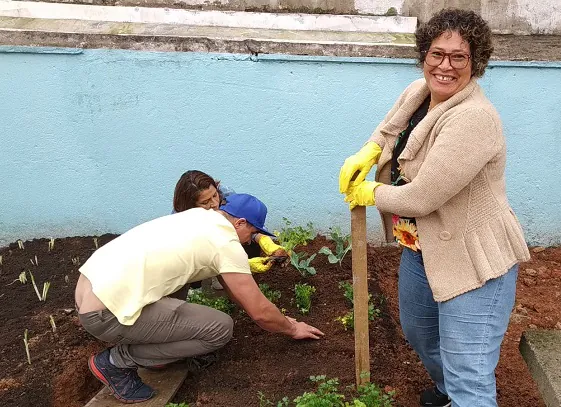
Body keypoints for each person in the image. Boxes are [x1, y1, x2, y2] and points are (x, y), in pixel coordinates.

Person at [339, 9, 530, 407]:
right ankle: (447, 393)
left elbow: (423, 196)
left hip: (473, 259)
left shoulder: (474, 118)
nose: (445, 66)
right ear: (423, 55)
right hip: (421, 248)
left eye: (458, 57)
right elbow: (390, 128)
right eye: (436, 54)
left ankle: (463, 396)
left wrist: (370, 192)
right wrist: (369, 149)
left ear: (476, 63)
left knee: (469, 369)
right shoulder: (418, 91)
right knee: (421, 333)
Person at [75, 193, 323, 403]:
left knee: (179, 290)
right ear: (241, 223)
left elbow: (236, 292)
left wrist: (277, 318)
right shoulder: (226, 244)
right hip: (105, 314)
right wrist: (292, 328)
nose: (251, 240)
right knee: (219, 328)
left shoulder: (198, 217)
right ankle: (116, 362)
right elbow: (258, 311)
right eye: (254, 232)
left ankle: (152, 352)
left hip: (88, 290)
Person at [172, 170, 289, 282]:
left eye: (214, 195)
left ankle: (236, 280)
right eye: (205, 202)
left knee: (250, 243)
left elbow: (245, 224)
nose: (214, 203)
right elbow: (200, 253)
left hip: (222, 240)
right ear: (191, 206)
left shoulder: (226, 194)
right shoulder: (182, 220)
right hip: (198, 251)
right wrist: (238, 264)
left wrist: (263, 240)